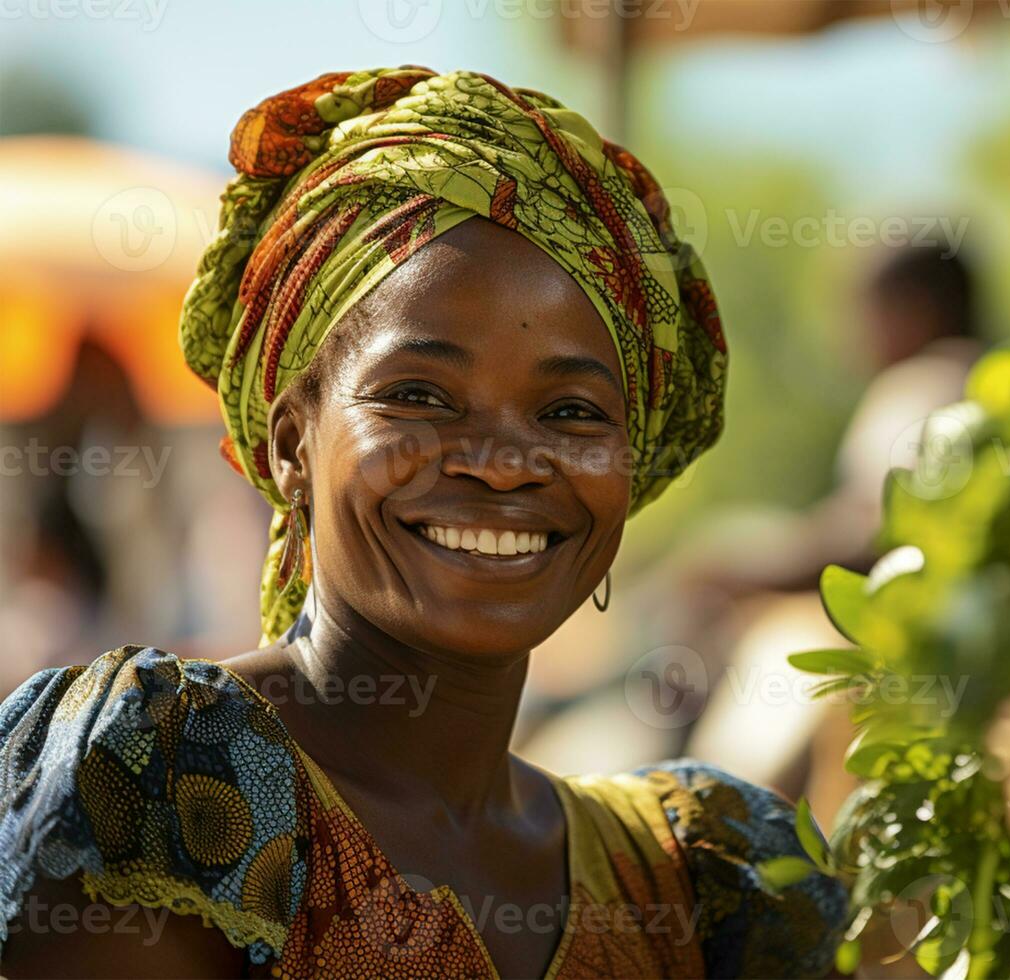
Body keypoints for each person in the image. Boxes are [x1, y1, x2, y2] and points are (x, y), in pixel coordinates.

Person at [0, 67, 846, 979]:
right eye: (418, 396)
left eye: (572, 413)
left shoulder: (696, 881)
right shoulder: (163, 782)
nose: (501, 460)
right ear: (291, 446)